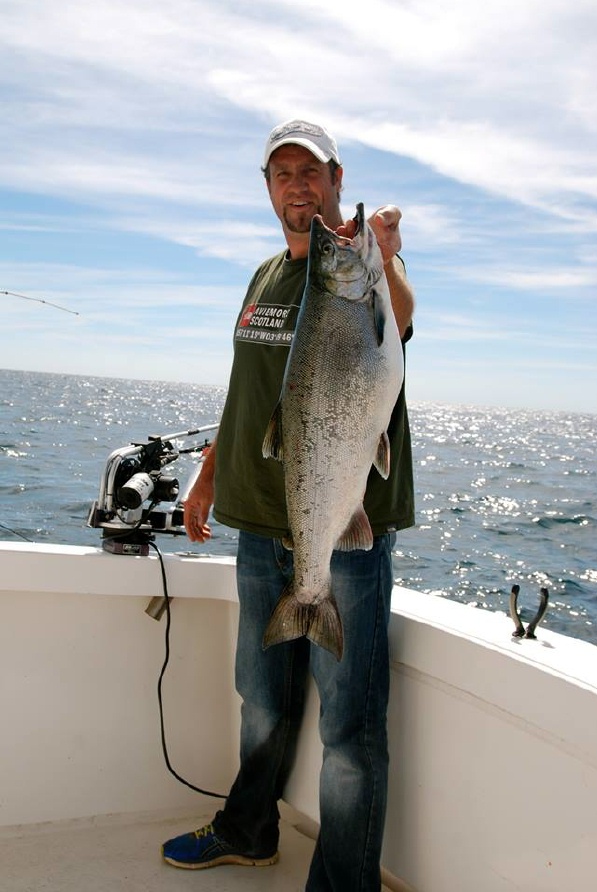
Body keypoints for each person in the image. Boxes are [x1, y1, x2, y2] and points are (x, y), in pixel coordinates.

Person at [162, 119, 415, 891]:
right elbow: (249, 392)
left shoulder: (365, 275)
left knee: (347, 729)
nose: (297, 185)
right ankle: (249, 829)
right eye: (282, 174)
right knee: (261, 705)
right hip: (261, 527)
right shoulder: (266, 276)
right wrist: (208, 477)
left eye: (311, 171)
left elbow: (398, 321)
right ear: (267, 188)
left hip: (344, 534)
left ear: (336, 179)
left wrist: (386, 255)